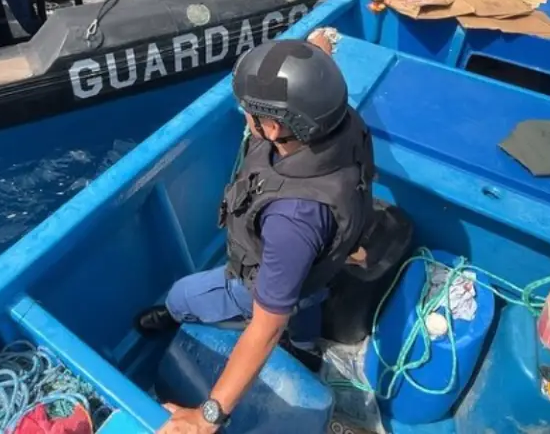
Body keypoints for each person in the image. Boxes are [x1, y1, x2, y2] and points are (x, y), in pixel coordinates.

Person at [135, 37, 374, 434]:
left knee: (180, 296)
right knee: (305, 302)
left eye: (249, 110)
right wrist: (315, 54)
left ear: (273, 126)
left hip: (267, 279)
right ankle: (304, 345)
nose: (245, 114)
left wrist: (207, 417)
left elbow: (266, 327)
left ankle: (170, 315)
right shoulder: (338, 120)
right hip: (321, 270)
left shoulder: (292, 219)